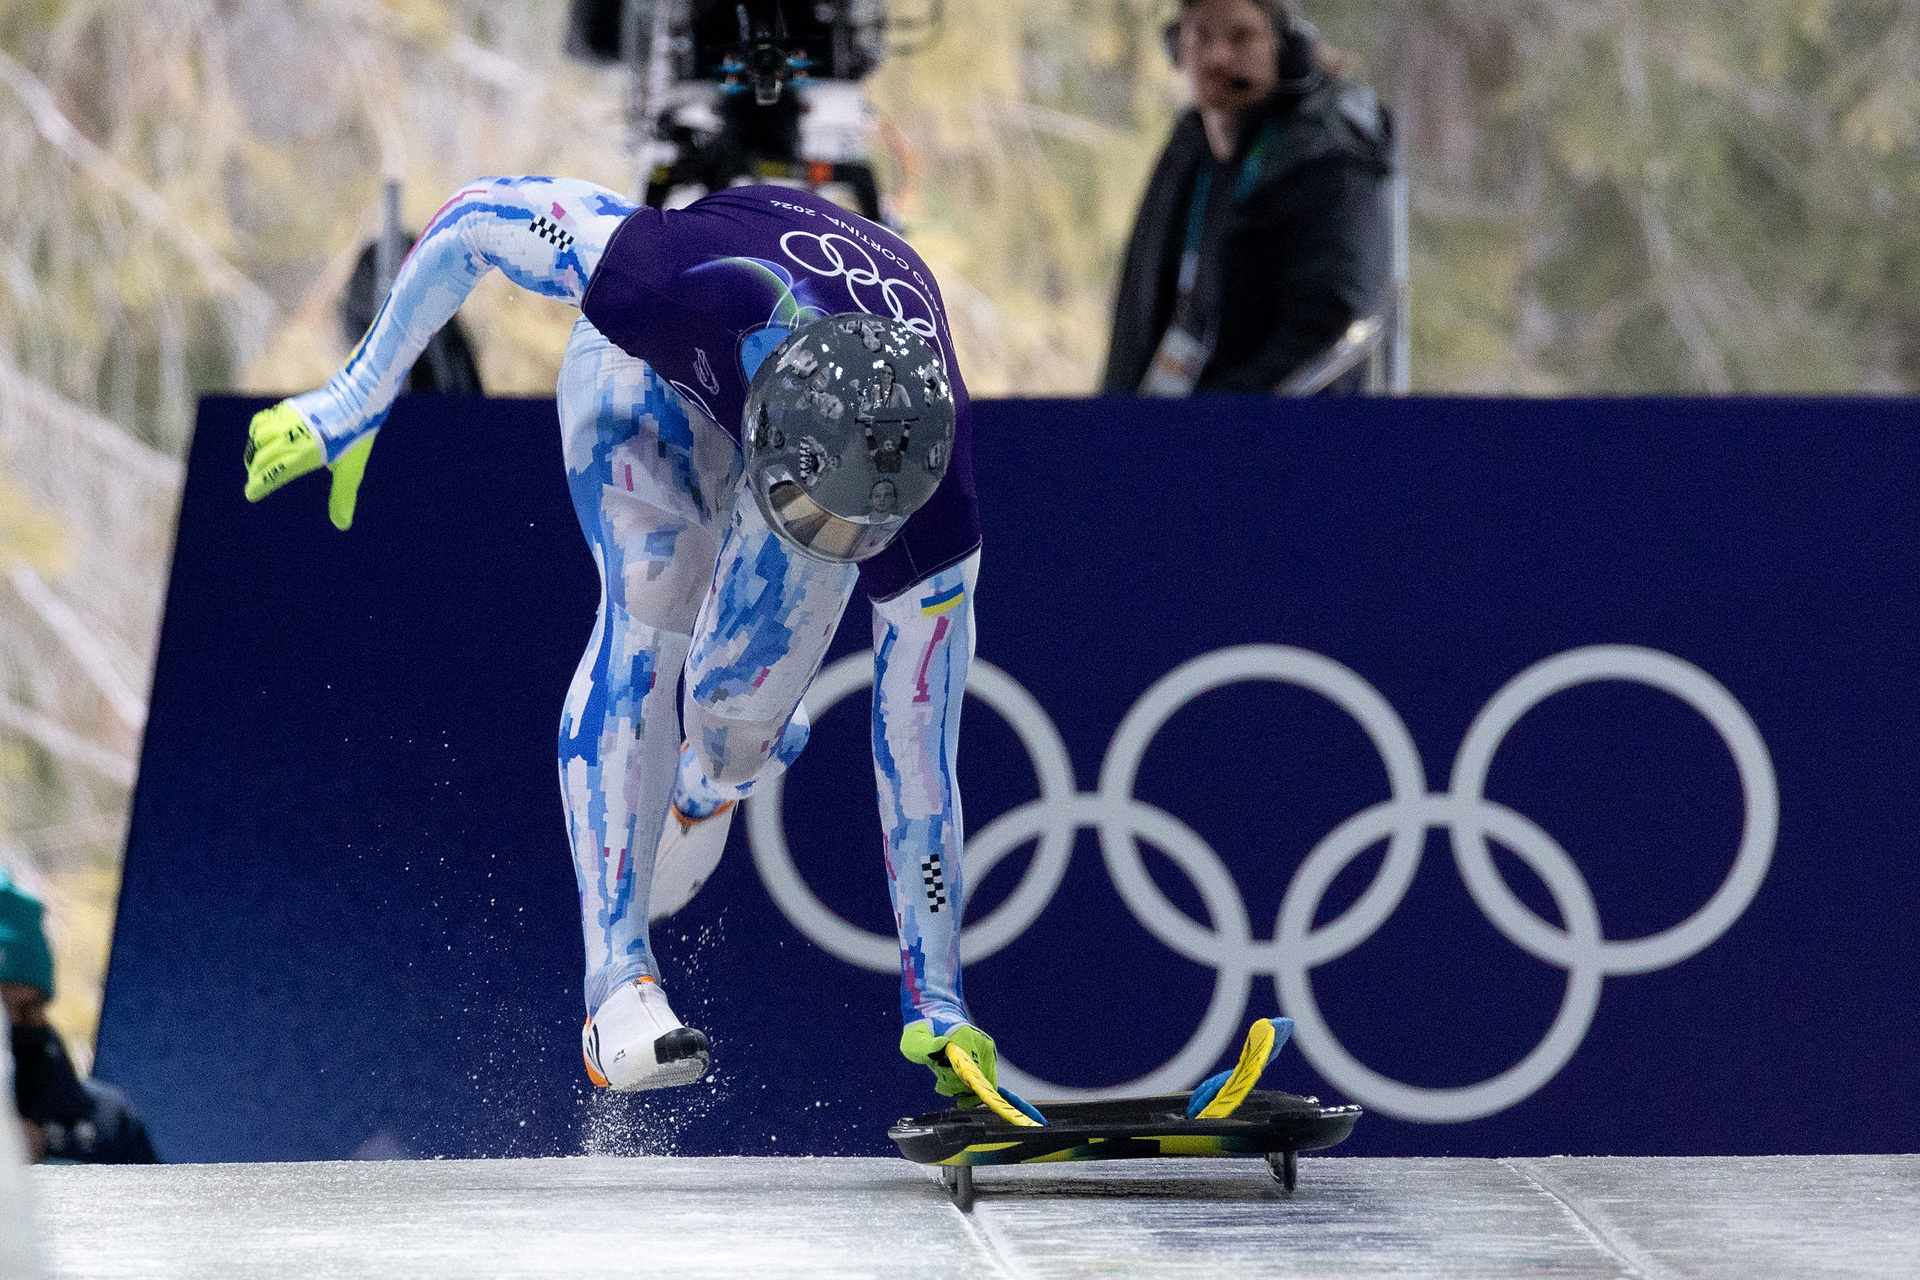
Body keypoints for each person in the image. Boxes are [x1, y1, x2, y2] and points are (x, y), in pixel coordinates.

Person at [242, 177, 998, 1103]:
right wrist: (357, 393)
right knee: (651, 602)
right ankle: (618, 985)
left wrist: (942, 1000)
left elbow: (922, 761)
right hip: (655, 373)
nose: (833, 543)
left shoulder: (925, 490)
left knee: (733, 721)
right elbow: (478, 218)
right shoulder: (668, 281)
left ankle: (710, 785)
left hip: (816, 426)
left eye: (852, 537)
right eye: (810, 516)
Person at [1103, 0, 1392, 396]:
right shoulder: (1188, 150)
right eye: (1201, 36)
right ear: (1177, 50)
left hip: (1277, 439)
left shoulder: (1329, 155)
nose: (1218, 57)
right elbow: (1136, 318)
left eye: (1242, 37)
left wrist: (1219, 422)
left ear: (1286, 48)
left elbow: (1327, 331)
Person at [1, 867, 158, 1164]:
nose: (10, 1024)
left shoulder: (107, 1122)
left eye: (27, 1009)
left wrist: (49, 1169)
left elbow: (165, 1209)